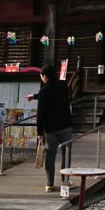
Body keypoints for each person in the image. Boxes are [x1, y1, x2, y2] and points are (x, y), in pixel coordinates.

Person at [33, 64, 74, 192]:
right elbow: (60, 95)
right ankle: (65, 181)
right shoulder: (63, 86)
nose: (41, 78)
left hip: (50, 129)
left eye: (41, 75)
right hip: (66, 126)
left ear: (45, 76)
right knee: (66, 154)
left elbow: (40, 114)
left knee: (50, 156)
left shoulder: (43, 92)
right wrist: (35, 96)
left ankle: (49, 183)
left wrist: (40, 132)